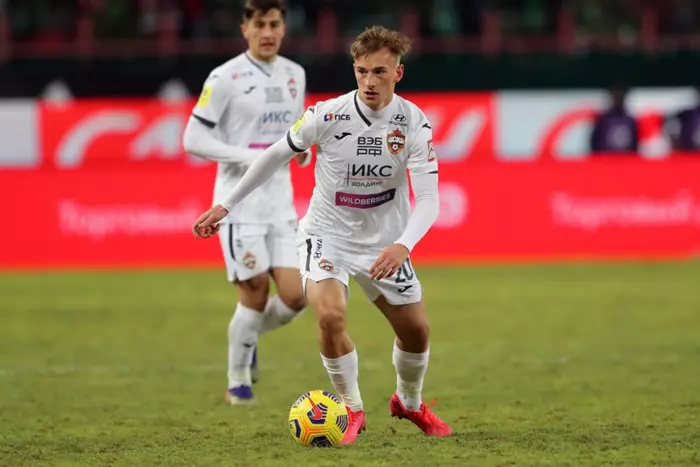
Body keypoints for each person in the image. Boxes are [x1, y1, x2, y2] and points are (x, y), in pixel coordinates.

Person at [192, 25, 453, 444]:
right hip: (326, 235)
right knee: (330, 316)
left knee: (416, 332)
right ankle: (351, 409)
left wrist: (403, 245)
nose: (369, 81)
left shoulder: (413, 122)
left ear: (398, 73)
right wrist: (228, 204)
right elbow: (273, 155)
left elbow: (428, 198)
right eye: (362, 71)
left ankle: (408, 401)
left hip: (384, 243)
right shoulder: (327, 116)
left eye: (380, 71)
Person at [182, 0, 310, 406]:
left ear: (284, 28)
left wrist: (302, 150)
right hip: (238, 204)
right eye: (259, 24)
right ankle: (238, 381)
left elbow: (295, 133)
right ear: (245, 29)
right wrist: (251, 157)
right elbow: (192, 139)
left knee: (296, 297)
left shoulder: (295, 74)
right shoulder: (225, 77)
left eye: (274, 24)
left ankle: (248, 336)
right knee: (254, 293)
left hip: (282, 204)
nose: (267, 32)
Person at [589, 87, 639, 155]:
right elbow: (595, 143)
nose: (618, 99)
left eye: (621, 97)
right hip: (606, 158)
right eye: (616, 96)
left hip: (625, 159)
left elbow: (635, 145)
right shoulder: (603, 120)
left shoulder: (630, 121)